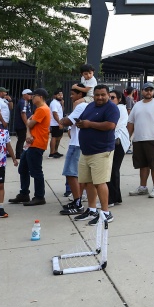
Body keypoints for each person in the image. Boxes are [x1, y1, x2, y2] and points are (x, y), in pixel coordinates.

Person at [74, 85, 120, 224]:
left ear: (107, 95)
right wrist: (81, 124)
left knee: (100, 182)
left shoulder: (112, 108)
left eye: (103, 95)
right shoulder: (90, 106)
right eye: (97, 95)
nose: (100, 97)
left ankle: (106, 213)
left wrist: (89, 124)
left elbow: (110, 125)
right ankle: (92, 210)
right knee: (88, 182)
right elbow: (84, 120)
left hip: (101, 151)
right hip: (86, 151)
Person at [127, 84, 154, 198]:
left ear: (153, 92)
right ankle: (143, 187)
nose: (148, 92)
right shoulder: (137, 105)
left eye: (151, 90)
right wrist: (127, 138)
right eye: (146, 90)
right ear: (142, 91)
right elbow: (131, 123)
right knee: (142, 165)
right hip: (139, 139)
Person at [55, 84, 90, 216]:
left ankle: (78, 203)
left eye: (73, 93)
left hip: (76, 144)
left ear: (80, 94)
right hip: (82, 143)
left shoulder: (81, 106)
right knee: (78, 175)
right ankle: (78, 200)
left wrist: (63, 120)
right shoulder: (88, 106)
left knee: (71, 173)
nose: (70, 96)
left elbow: (68, 121)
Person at [16, 89, 52, 207]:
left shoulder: (42, 109)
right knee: (23, 168)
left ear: (40, 97)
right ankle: (24, 193)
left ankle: (39, 196)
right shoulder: (40, 109)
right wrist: (28, 132)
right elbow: (29, 124)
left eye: (34, 95)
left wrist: (29, 125)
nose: (32, 97)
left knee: (36, 171)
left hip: (37, 143)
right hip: (31, 143)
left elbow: (29, 123)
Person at [106, 90, 131, 205]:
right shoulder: (113, 108)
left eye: (113, 97)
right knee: (113, 170)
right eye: (109, 97)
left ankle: (111, 199)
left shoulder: (119, 109)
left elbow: (113, 126)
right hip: (116, 142)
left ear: (119, 99)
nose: (110, 100)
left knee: (112, 170)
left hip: (118, 142)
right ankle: (115, 197)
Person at [48, 90, 65, 158]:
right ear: (54, 96)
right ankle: (52, 153)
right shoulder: (54, 103)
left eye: (61, 95)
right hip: (55, 123)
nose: (60, 96)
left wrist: (62, 104)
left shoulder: (59, 103)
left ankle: (56, 151)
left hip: (59, 122)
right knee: (54, 137)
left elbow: (62, 111)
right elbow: (55, 114)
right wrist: (59, 123)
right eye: (59, 95)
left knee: (59, 137)